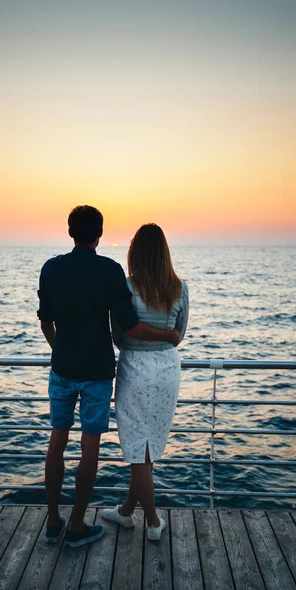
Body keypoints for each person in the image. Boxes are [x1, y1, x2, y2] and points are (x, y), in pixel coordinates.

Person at [37, 206, 180, 548]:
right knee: (90, 448)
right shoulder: (110, 271)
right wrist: (169, 337)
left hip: (63, 368)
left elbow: (46, 321)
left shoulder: (51, 268)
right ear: (99, 235)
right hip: (99, 371)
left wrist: (61, 350)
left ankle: (54, 520)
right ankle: (77, 525)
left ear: (70, 231)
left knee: (57, 441)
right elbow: (128, 326)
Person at [103, 224, 189, 541]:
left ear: (134, 253)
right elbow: (178, 336)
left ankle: (152, 522)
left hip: (134, 368)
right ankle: (127, 511)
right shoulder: (180, 288)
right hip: (167, 368)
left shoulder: (125, 288)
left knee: (138, 447)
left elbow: (118, 336)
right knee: (147, 444)